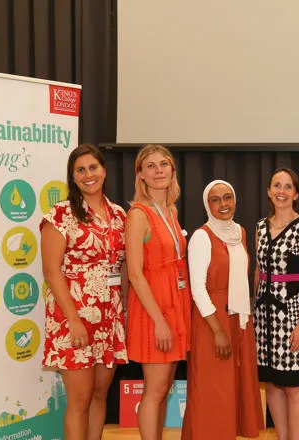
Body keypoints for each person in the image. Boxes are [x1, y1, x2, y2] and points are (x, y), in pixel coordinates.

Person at [41, 144, 127, 440]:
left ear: (104, 170)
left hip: (109, 318)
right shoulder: (61, 214)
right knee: (79, 400)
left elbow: (124, 266)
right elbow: (52, 271)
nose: (88, 175)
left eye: (93, 168)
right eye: (81, 170)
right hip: (72, 316)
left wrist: (123, 313)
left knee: (100, 395)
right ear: (73, 177)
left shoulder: (119, 215)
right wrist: (74, 320)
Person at [182, 180, 264, 439]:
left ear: (235, 201)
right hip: (212, 321)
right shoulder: (201, 236)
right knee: (213, 389)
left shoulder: (240, 232)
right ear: (207, 205)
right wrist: (217, 330)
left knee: (232, 388)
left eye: (227, 197)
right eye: (215, 200)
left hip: (238, 317)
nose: (223, 204)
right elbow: (197, 288)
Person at [125, 144, 191, 440]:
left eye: (163, 164)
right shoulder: (138, 215)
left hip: (174, 304)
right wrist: (159, 321)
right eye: (150, 166)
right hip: (154, 310)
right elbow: (136, 274)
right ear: (140, 174)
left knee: (163, 388)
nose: (158, 170)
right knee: (154, 390)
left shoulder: (170, 210)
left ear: (172, 170)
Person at [254, 168, 299, 440]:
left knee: (293, 386)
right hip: (264, 319)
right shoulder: (259, 227)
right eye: (276, 185)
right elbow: (258, 272)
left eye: (288, 186)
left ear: (296, 194)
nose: (282, 191)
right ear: (269, 191)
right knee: (271, 382)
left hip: (292, 317)